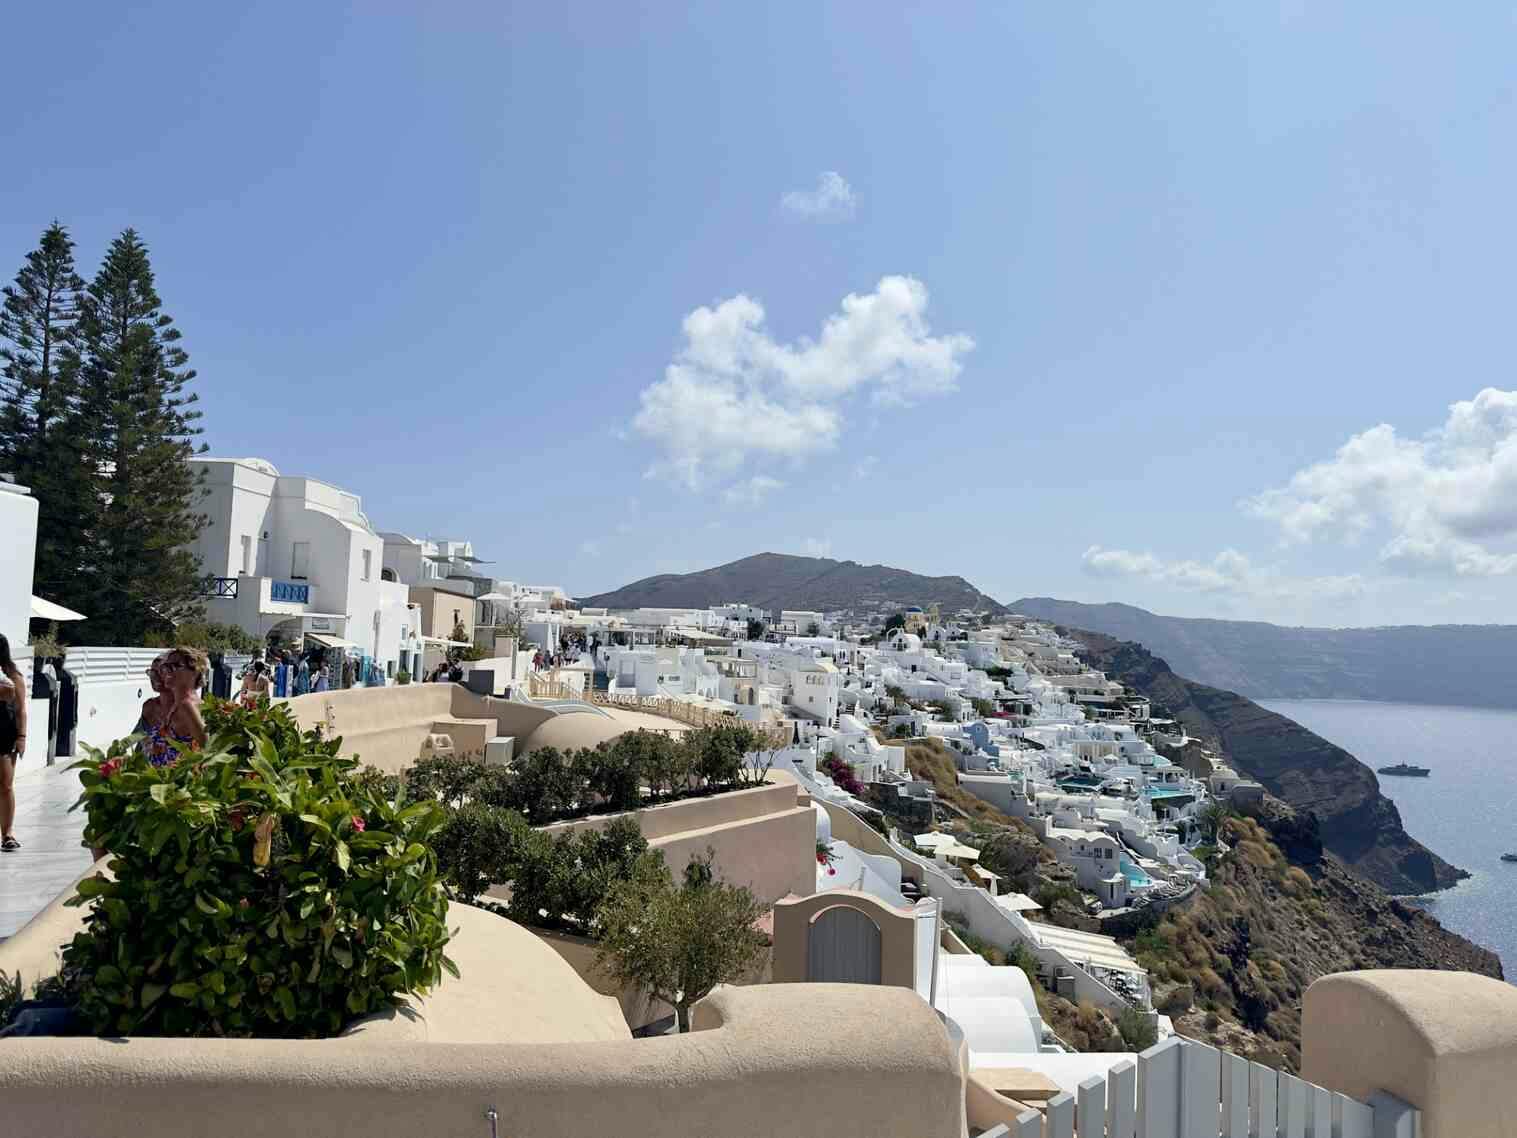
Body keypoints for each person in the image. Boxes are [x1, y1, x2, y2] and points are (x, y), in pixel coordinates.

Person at [140, 647, 208, 768]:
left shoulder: (186, 705)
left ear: (195, 671)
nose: (166, 671)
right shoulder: (180, 703)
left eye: (175, 665)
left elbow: (208, 748)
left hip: (176, 782)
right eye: (165, 667)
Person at [0, 633, 29, 852]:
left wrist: (22, 737)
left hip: (4, 734)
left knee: (5, 785)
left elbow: (21, 710)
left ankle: (7, 833)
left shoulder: (12, 676)